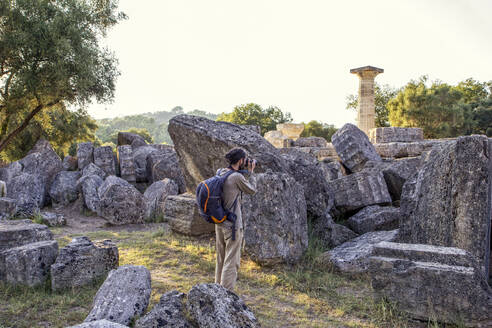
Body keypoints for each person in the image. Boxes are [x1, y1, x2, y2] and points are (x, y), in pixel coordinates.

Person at [215, 147, 256, 291]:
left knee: (221, 258)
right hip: (232, 225)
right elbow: (252, 190)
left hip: (219, 222)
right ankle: (226, 294)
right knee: (231, 261)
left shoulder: (221, 172)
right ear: (240, 161)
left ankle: (217, 290)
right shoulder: (237, 178)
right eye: (244, 159)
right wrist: (251, 172)